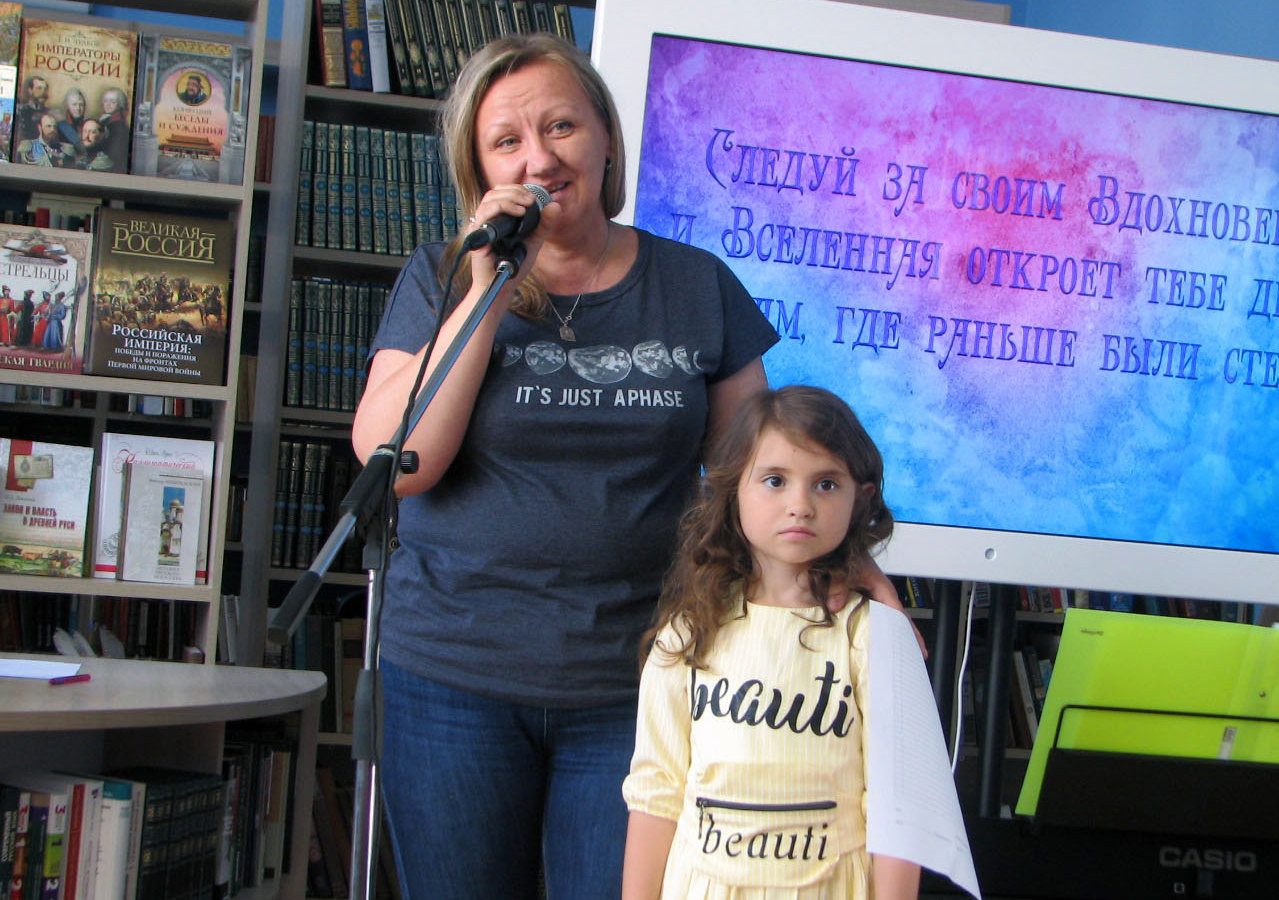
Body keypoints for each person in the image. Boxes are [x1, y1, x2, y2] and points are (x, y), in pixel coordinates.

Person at [350, 31, 781, 900]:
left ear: (606, 140)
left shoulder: (697, 285)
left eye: (561, 127)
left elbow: (759, 482)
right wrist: (487, 288)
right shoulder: (440, 278)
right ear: (480, 170)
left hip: (639, 680)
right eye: (507, 140)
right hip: (452, 678)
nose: (539, 158)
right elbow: (398, 464)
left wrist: (849, 577)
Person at [621, 384, 921, 900]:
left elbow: (898, 805)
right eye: (775, 480)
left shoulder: (869, 637)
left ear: (860, 499)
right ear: (733, 488)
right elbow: (656, 793)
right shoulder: (687, 634)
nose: (800, 505)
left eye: (826, 484)